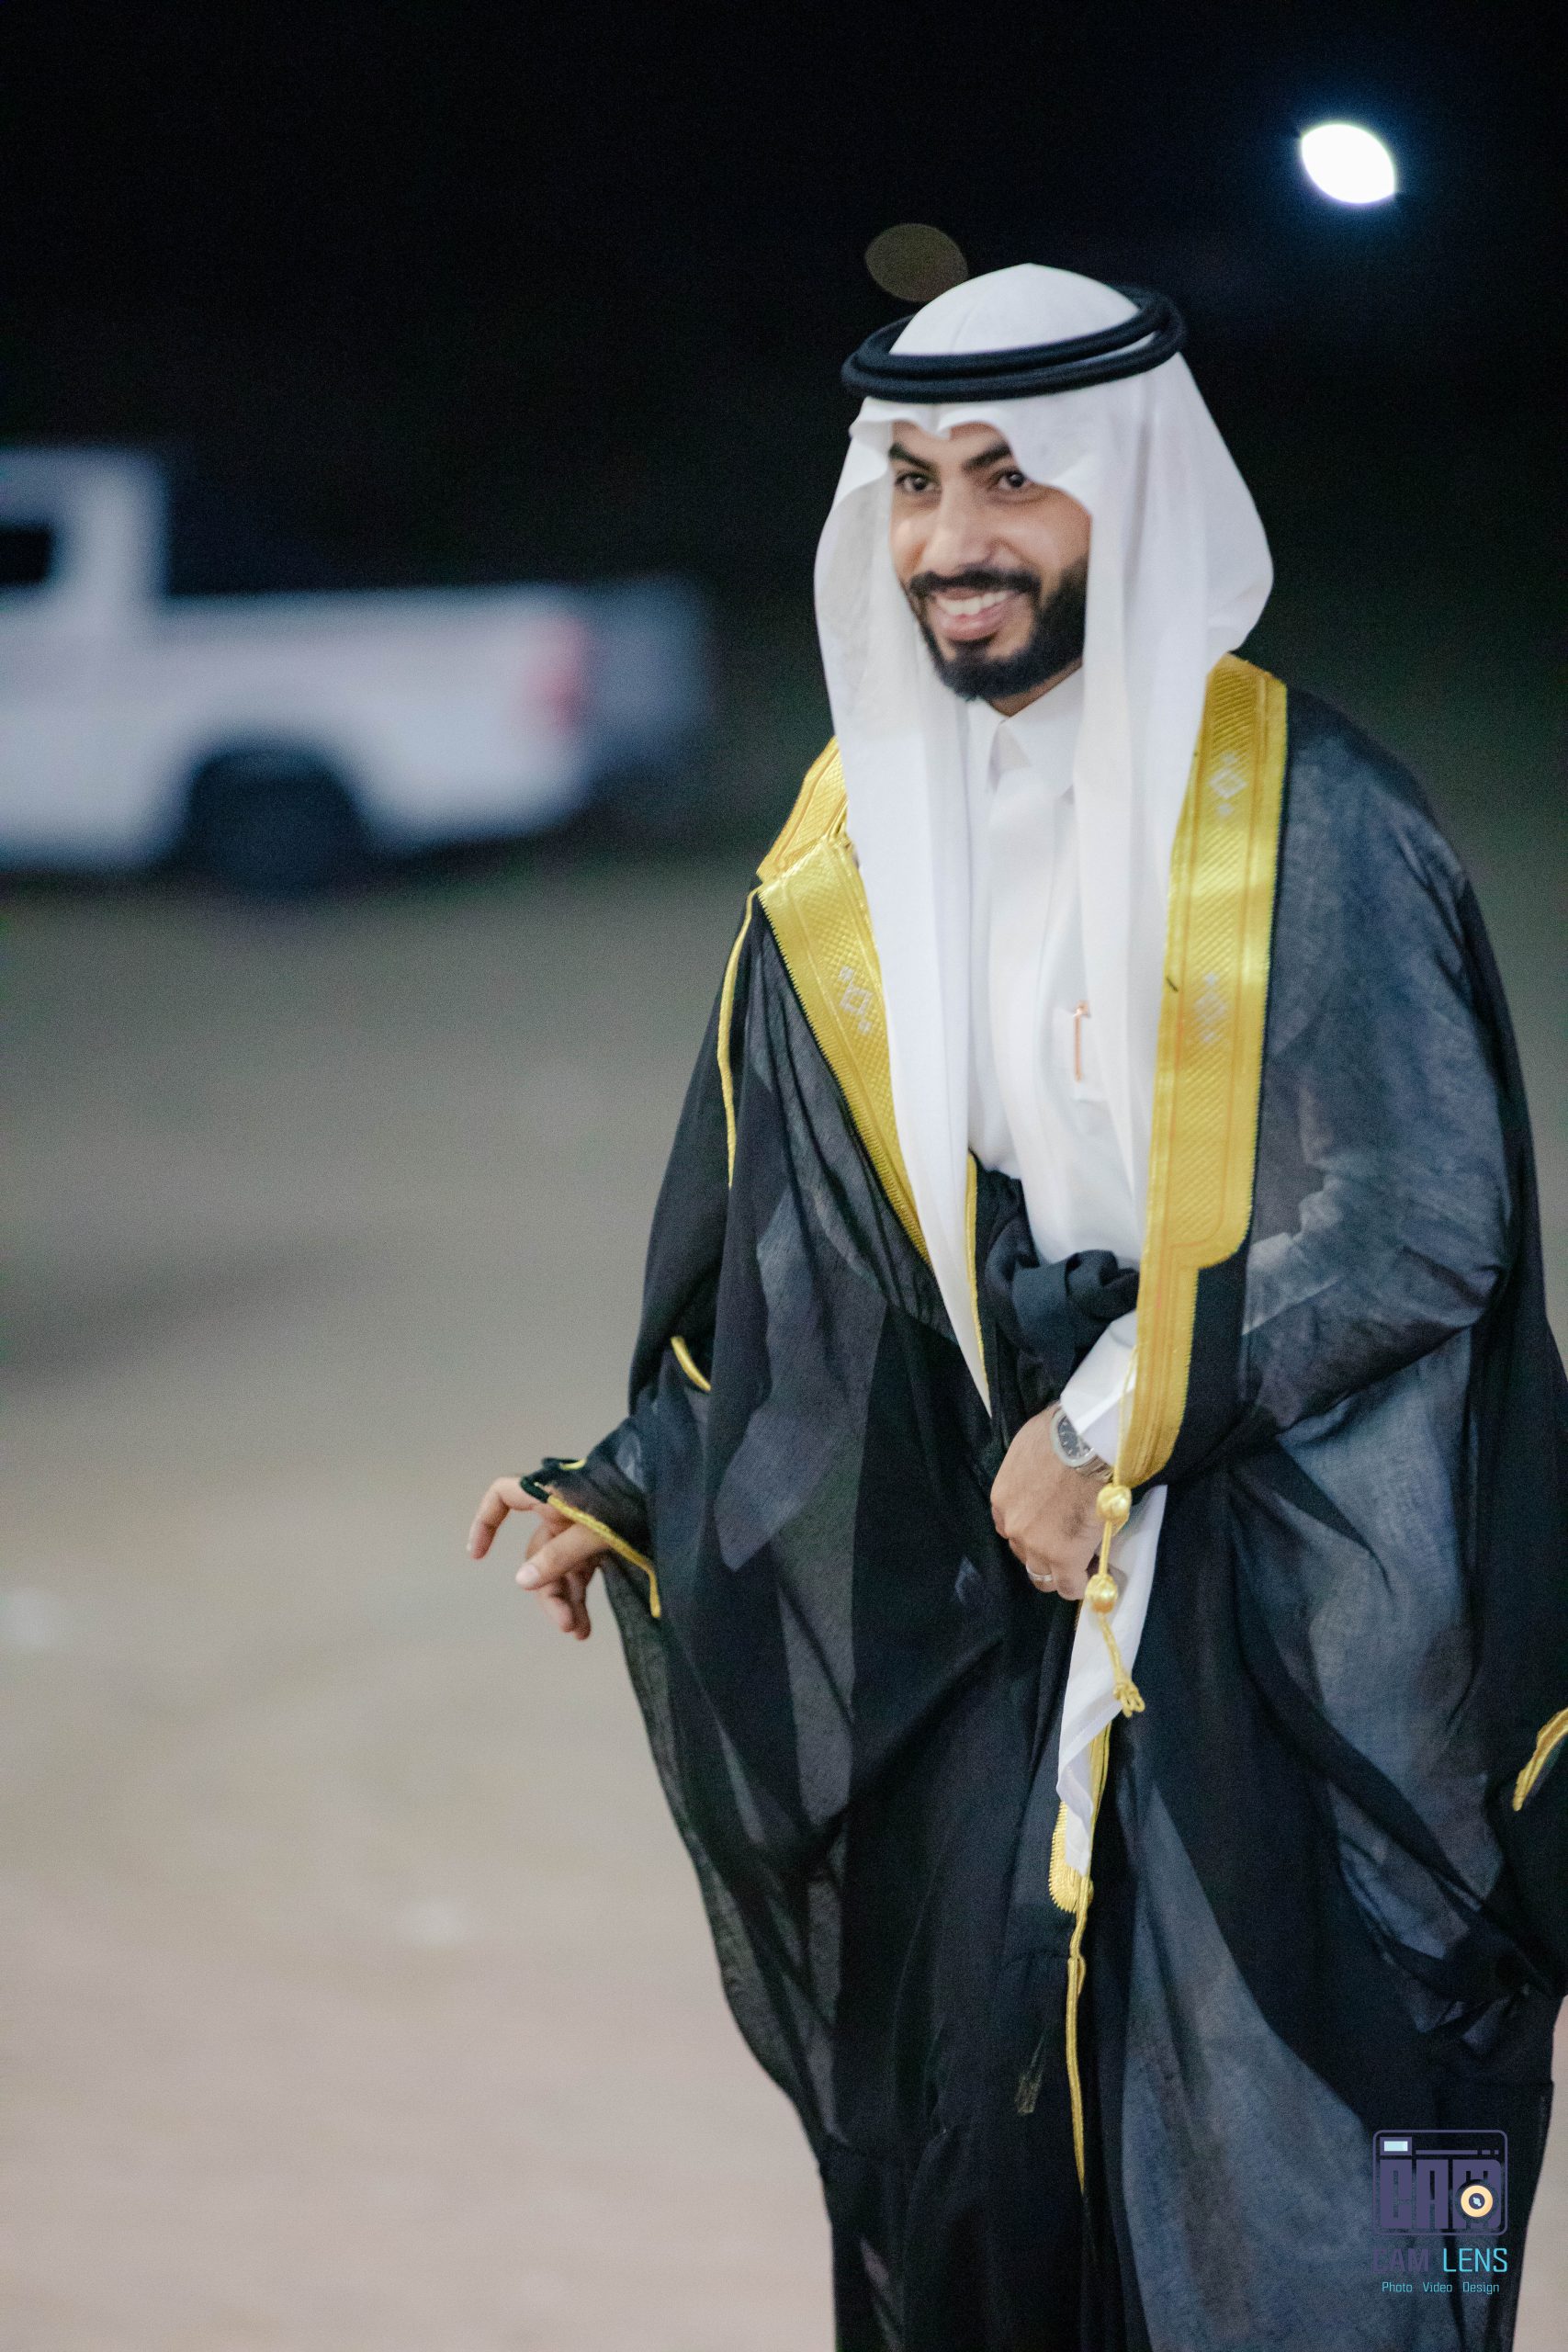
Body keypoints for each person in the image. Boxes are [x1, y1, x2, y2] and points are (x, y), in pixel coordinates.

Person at [467, 266, 1567, 2350]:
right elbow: (811, 1229)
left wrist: (1107, 1421)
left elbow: (1419, 1219)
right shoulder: (864, 833)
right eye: (911, 483)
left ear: (1124, 498)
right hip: (1003, 1596)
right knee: (995, 2133)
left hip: (1309, 1593)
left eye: (1007, 480)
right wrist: (644, 1471)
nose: (950, 539)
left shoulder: (1308, 814)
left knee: (1368, 2135)